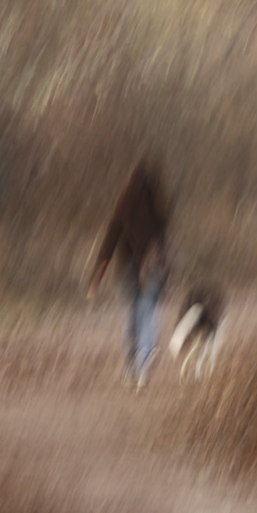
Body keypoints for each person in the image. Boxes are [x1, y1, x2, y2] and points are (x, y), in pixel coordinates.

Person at [87, 159, 173, 389]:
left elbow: (109, 242)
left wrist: (96, 278)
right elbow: (165, 250)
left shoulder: (123, 207)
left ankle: (129, 368)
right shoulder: (158, 211)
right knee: (148, 318)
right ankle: (143, 370)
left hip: (127, 271)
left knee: (130, 319)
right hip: (152, 272)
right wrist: (168, 278)